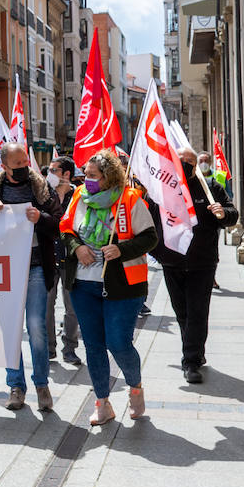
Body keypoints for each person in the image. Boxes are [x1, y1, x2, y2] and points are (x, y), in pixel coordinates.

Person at [60, 149, 158, 425]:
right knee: (93, 346)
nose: (86, 179)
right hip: (83, 285)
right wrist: (77, 248)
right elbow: (66, 228)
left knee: (118, 343)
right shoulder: (79, 196)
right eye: (85, 175)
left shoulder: (129, 199)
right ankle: (102, 403)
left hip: (123, 286)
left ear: (108, 177)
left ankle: (135, 388)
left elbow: (151, 238)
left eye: (92, 176)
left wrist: (121, 249)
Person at [0, 143, 63, 412]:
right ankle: (16, 385)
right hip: (5, 269)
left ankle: (41, 384)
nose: (24, 170)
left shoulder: (40, 187)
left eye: (25, 163)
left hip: (36, 266)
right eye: (17, 166)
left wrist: (41, 217)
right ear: (4, 166)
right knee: (10, 330)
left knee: (37, 327)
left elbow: (59, 221)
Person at [146, 146, 238, 384]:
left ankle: (191, 361)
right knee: (182, 312)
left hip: (202, 262)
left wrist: (222, 213)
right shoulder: (162, 188)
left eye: (189, 161)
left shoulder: (211, 188)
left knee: (198, 312)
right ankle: (195, 349)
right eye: (180, 160)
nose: (185, 164)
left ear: (195, 165)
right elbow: (148, 219)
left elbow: (232, 213)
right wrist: (155, 250)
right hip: (172, 261)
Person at [43, 156, 81, 366]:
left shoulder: (79, 195)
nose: (50, 174)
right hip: (49, 257)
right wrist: (55, 196)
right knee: (47, 306)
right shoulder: (45, 194)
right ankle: (49, 349)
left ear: (66, 174)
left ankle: (70, 348)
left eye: (53, 170)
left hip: (70, 259)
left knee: (71, 307)